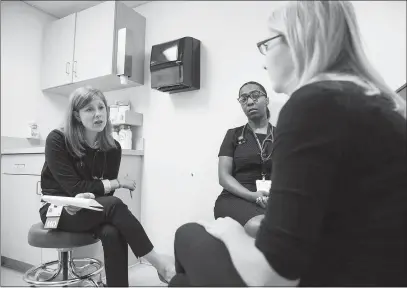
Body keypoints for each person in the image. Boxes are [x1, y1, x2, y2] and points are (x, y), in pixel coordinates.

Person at [169, 1, 407, 286]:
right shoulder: (387, 106)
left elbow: (274, 274)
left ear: (296, 40)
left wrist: (229, 234)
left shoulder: (311, 104)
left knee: (187, 235)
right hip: (370, 270)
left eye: (267, 44)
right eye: (243, 97)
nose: (264, 59)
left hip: (326, 274)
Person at [39, 86, 175, 287]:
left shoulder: (112, 148)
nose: (98, 114)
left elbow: (104, 193)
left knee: (112, 229)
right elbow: (75, 188)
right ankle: (160, 264)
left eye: (101, 107)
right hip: (56, 210)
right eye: (89, 109)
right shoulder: (58, 139)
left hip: (91, 208)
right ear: (76, 115)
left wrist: (101, 188)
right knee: (113, 204)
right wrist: (116, 182)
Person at [215, 81, 275, 237]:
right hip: (235, 197)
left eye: (255, 95)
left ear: (267, 100)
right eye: (244, 98)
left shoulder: (283, 136)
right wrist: (252, 196)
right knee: (261, 226)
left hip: (272, 197)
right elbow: (224, 177)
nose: (249, 101)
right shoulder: (233, 135)